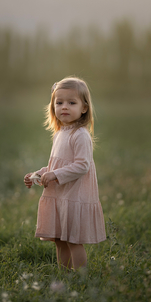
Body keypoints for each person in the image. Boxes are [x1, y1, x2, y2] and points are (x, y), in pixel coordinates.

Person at [24, 77, 106, 270]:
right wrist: (39, 174)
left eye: (71, 102)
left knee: (73, 240)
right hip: (60, 195)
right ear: (52, 106)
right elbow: (55, 165)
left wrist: (55, 175)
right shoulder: (60, 133)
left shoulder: (81, 135)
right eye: (59, 102)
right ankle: (65, 274)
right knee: (59, 239)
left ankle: (81, 277)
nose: (64, 107)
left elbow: (82, 166)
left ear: (84, 108)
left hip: (74, 195)